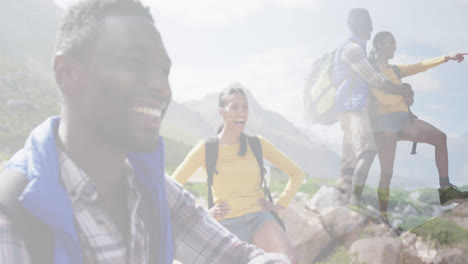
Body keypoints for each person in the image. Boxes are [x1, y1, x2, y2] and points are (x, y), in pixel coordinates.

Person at [0, 1, 291, 263]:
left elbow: (237, 257)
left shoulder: (154, 191)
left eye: (163, 71)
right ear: (67, 74)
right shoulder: (12, 217)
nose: (161, 87)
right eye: (135, 63)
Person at [172, 86, 304, 264]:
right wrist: (204, 214)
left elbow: (297, 173)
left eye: (245, 107)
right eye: (234, 107)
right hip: (226, 224)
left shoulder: (258, 144)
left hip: (259, 218)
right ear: (222, 112)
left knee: (290, 260)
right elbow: (172, 187)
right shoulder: (206, 148)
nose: (241, 113)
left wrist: (280, 204)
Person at [368, 31, 468, 216]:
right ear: (379, 45)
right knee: (387, 174)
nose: (394, 47)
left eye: (395, 43)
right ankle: (383, 217)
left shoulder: (396, 70)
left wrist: (446, 57)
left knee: (440, 137)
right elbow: (381, 97)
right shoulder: (370, 70)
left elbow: (419, 66)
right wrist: (403, 93)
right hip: (383, 124)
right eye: (391, 43)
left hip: (404, 120)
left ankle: (446, 190)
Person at [332, 8, 408, 205]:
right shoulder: (353, 49)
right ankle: (354, 202)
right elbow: (375, 80)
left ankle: (341, 202)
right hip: (354, 107)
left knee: (348, 158)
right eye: (368, 22)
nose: (372, 26)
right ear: (355, 24)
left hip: (346, 107)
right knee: (368, 150)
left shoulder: (353, 47)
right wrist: (401, 91)